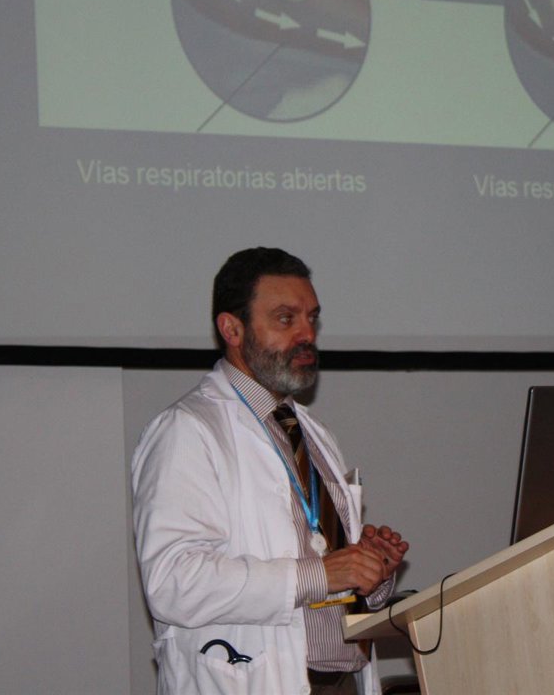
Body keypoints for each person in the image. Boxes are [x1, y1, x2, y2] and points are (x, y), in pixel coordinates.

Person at [132, 247, 409, 695]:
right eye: (286, 319)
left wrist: (368, 570)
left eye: (312, 318)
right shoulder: (187, 430)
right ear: (232, 329)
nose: (307, 334)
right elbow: (173, 582)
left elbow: (327, 574)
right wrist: (322, 573)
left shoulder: (312, 433)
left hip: (343, 683)